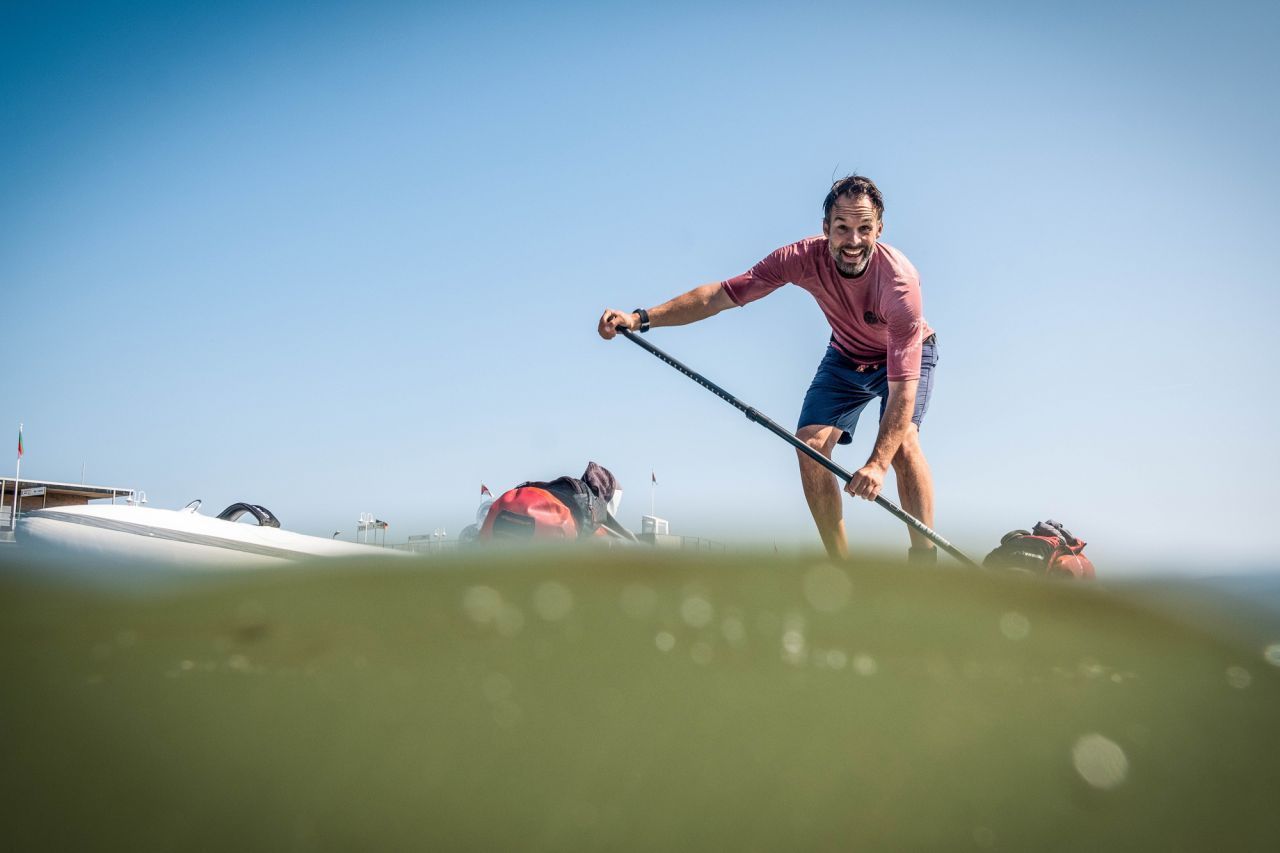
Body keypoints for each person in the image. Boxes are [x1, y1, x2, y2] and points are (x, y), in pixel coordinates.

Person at [597, 175, 939, 563]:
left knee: (902, 446)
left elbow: (902, 393)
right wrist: (640, 318)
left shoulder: (899, 284)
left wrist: (876, 464)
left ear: (880, 229)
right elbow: (718, 297)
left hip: (904, 356)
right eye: (842, 228)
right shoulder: (799, 258)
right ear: (825, 228)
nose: (853, 241)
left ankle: (924, 562)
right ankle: (844, 571)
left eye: (864, 229)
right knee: (809, 447)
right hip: (846, 355)